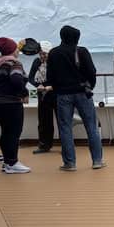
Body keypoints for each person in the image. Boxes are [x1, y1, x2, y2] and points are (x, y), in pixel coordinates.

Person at [46, 25, 105, 171]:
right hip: (82, 92)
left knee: (65, 127)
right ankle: (97, 161)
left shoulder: (54, 53)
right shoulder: (81, 51)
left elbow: (50, 76)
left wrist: (58, 88)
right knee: (91, 126)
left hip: (63, 94)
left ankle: (70, 163)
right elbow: (91, 71)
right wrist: (89, 86)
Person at [0, 37, 30, 174]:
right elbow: (16, 80)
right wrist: (24, 93)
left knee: (6, 131)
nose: (17, 50)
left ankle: (7, 162)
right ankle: (12, 162)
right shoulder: (14, 64)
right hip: (11, 102)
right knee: (14, 132)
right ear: (12, 50)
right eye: (15, 48)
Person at [28, 41, 57, 154]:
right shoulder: (36, 62)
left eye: (44, 54)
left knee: (62, 120)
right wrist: (37, 85)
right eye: (40, 54)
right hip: (42, 94)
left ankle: (66, 144)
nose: (42, 56)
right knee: (44, 120)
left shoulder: (55, 62)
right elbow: (30, 77)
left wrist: (52, 86)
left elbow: (60, 77)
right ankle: (44, 145)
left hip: (55, 93)